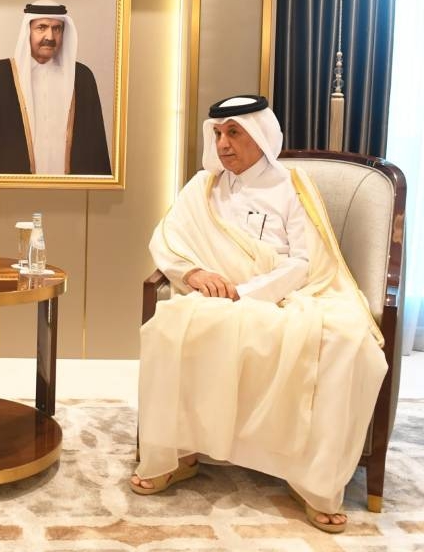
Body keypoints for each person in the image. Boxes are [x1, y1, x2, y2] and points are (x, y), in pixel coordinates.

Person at [131, 94, 387, 535]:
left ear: (261, 134)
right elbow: (167, 240)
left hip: (287, 295)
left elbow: (304, 262)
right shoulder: (203, 186)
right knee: (171, 326)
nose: (223, 144)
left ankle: (312, 480)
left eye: (234, 133)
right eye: (218, 133)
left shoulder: (292, 186)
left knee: (345, 342)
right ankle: (179, 454)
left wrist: (247, 294)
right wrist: (193, 272)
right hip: (215, 295)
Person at [0, 0, 111, 175]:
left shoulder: (82, 78)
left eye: (57, 29)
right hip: (14, 188)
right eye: (41, 27)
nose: (50, 37)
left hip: (70, 188)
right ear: (28, 31)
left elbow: (96, 144)